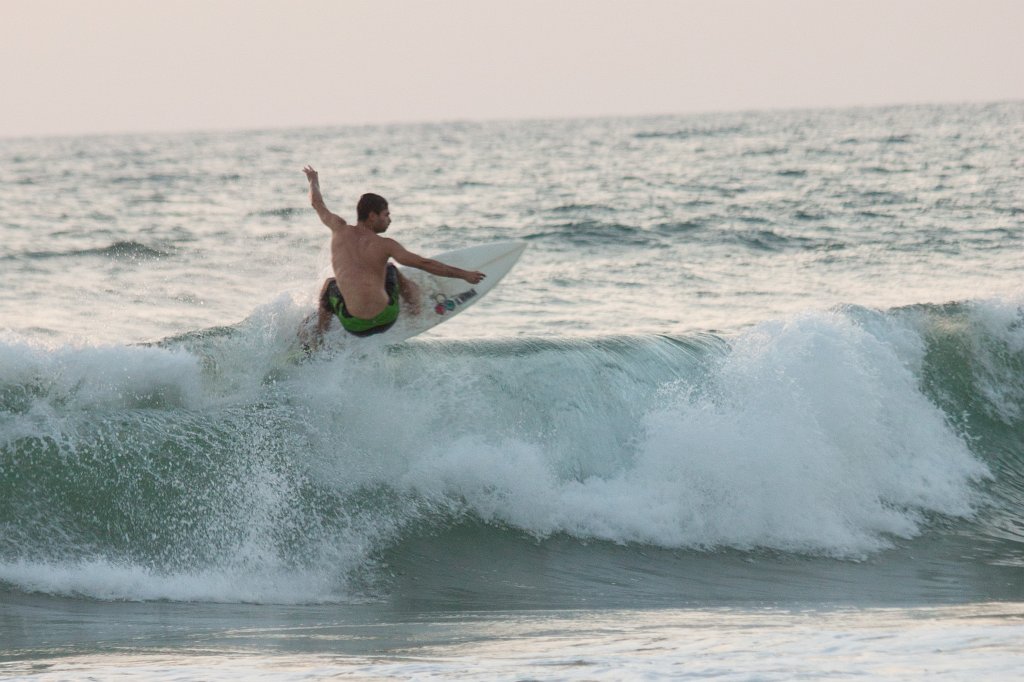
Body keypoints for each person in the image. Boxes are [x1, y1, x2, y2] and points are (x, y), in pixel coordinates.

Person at [301, 165, 485, 345]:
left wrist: (313, 180)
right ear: (372, 216)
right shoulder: (385, 245)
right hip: (386, 318)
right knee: (391, 270)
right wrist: (465, 275)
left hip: (353, 325)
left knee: (329, 285)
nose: (389, 220)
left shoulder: (338, 228)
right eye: (386, 215)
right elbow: (424, 263)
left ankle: (319, 336)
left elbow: (316, 203)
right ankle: (415, 309)